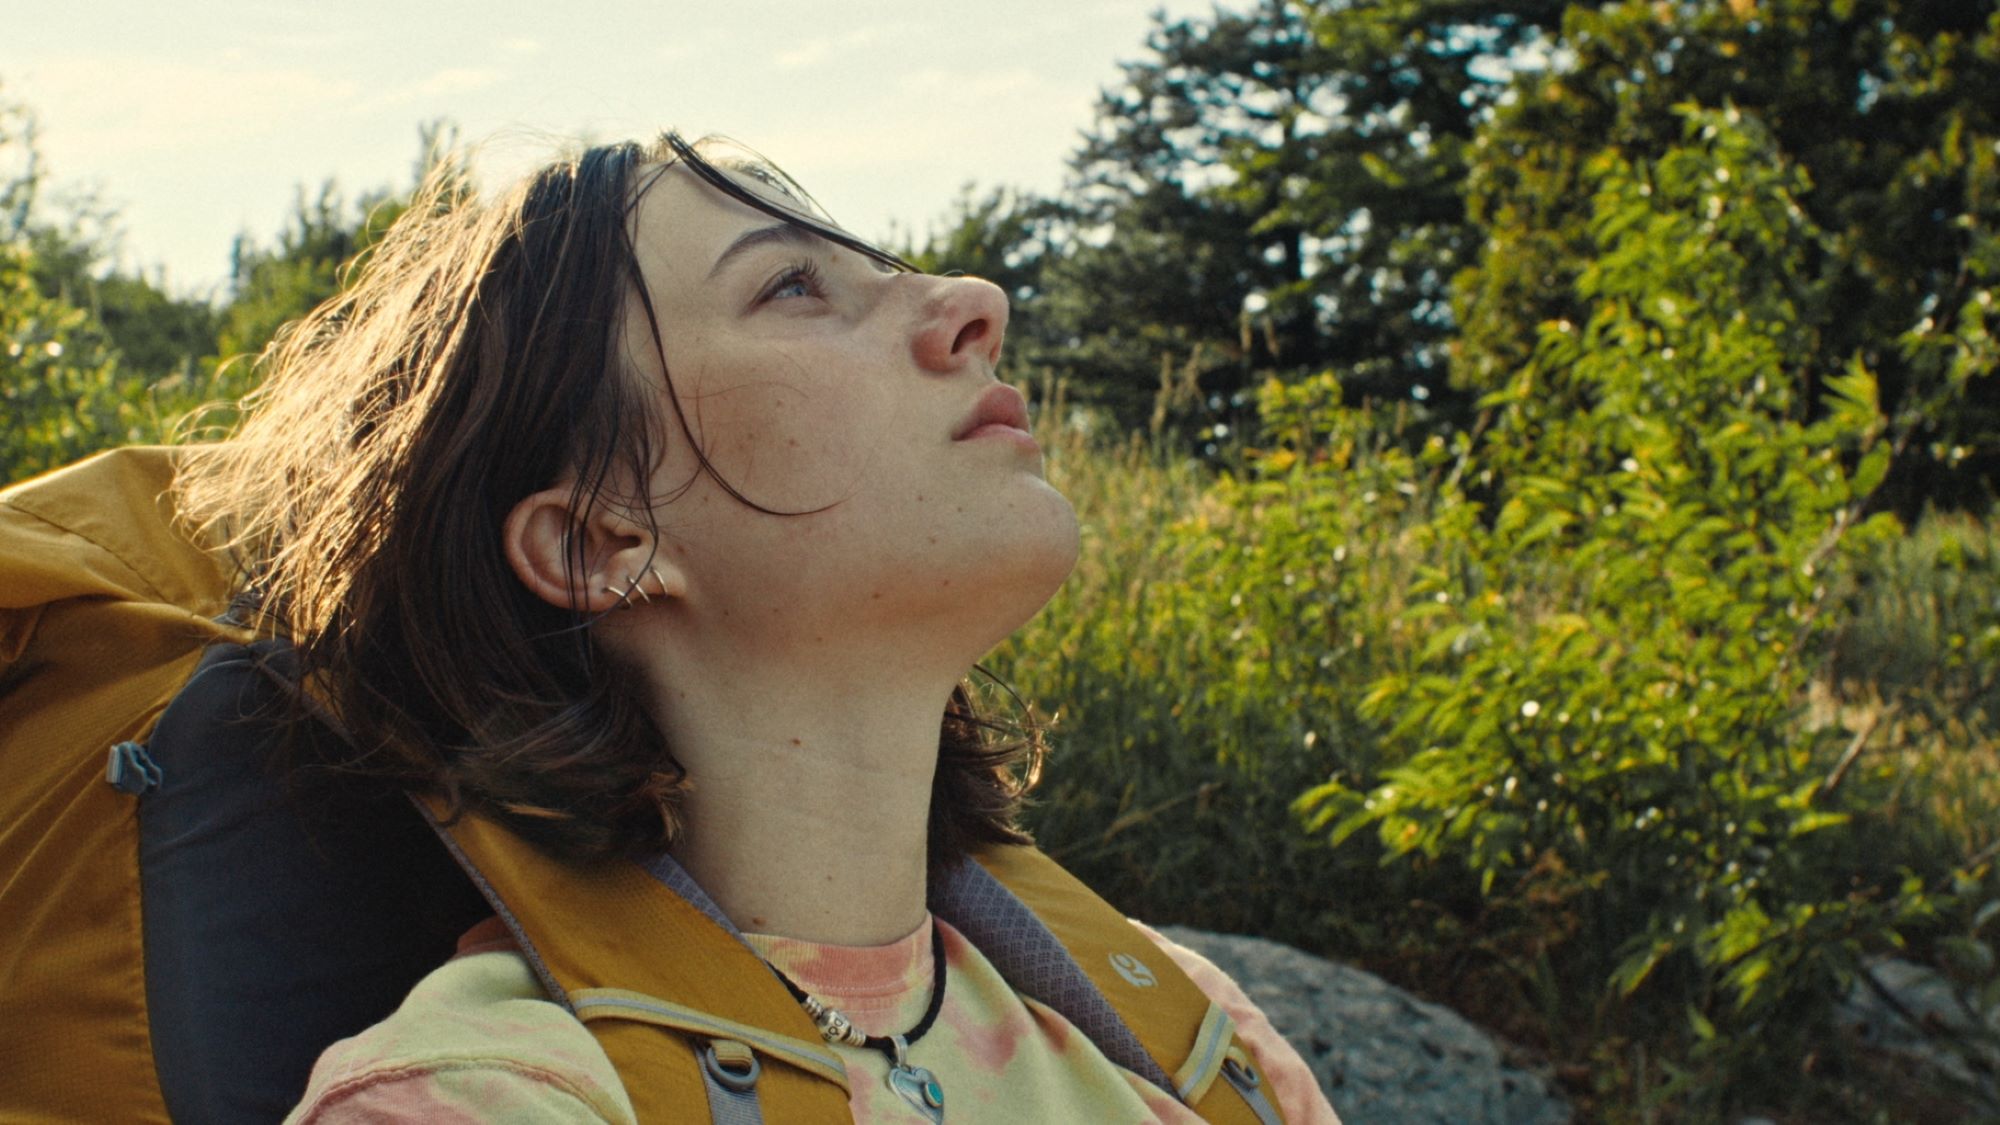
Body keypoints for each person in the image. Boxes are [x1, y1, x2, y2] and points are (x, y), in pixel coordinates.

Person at [176, 132, 1339, 1123]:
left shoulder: (1192, 1038)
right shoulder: (496, 1101)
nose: (973, 303)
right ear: (600, 543)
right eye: (791, 287)